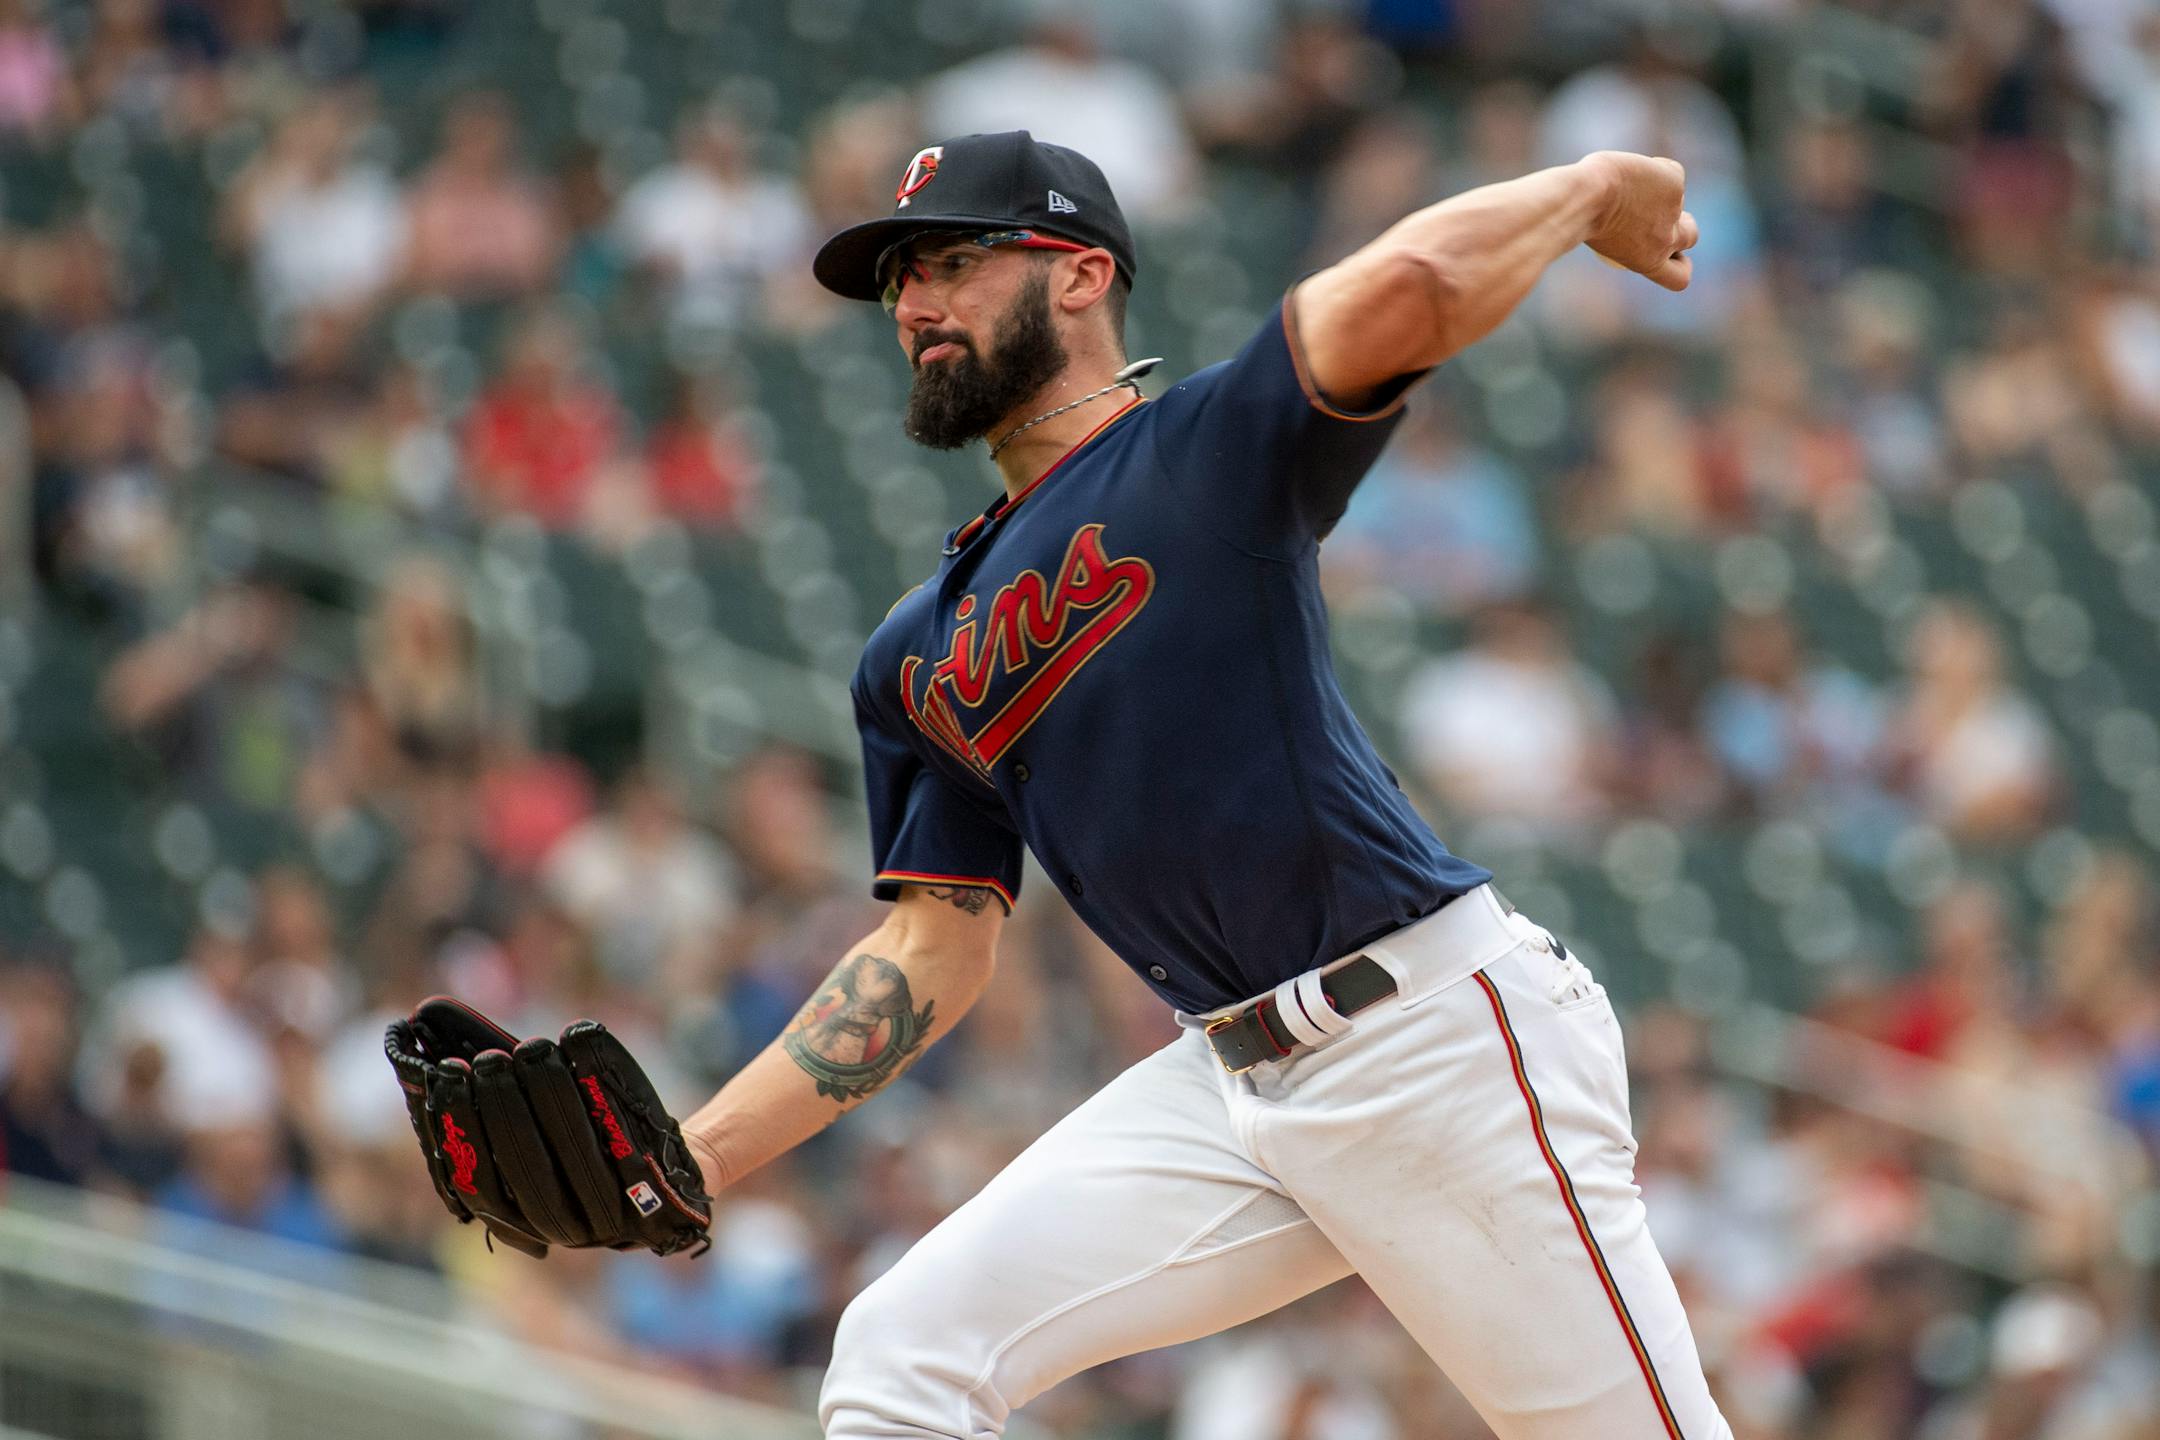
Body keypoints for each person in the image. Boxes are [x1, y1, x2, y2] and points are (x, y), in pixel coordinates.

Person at [661, 130, 1725, 1438]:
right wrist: (698, 1155)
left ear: (1078, 275)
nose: (914, 305)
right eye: (898, 284)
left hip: (1435, 1042)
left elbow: (1408, 292)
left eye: (948, 262)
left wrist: (1591, 190)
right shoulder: (912, 655)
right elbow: (931, 948)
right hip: (1231, 1088)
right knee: (900, 1357)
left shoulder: (1196, 454)